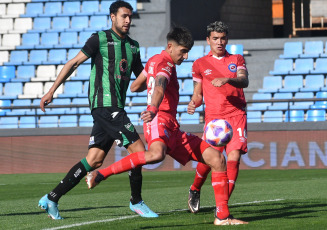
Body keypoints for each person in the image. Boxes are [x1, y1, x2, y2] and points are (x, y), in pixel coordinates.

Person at [86, 26, 248, 225]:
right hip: (159, 120)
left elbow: (136, 86)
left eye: (187, 52)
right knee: (155, 154)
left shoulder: (154, 60)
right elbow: (160, 86)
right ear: (170, 47)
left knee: (216, 158)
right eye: (182, 51)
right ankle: (100, 174)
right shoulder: (166, 65)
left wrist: (150, 82)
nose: (185, 56)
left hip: (172, 127)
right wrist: (154, 107)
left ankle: (222, 217)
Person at [38, 0, 158, 219]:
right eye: (124, 16)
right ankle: (136, 201)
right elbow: (74, 63)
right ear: (112, 17)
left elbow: (139, 82)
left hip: (114, 108)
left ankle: (52, 197)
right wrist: (51, 91)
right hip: (105, 106)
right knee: (141, 153)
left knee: (93, 160)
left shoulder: (133, 46)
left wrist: (156, 76)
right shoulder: (99, 39)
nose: (128, 20)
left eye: (130, 17)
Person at [187, 21, 249, 214]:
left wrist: (228, 79)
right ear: (208, 40)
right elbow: (198, 93)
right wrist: (193, 103)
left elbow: (244, 80)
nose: (219, 42)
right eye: (215, 38)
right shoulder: (200, 64)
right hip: (214, 119)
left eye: (222, 38)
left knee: (234, 156)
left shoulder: (237, 59)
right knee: (210, 160)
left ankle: (222, 205)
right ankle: (195, 189)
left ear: (227, 39)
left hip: (236, 115)